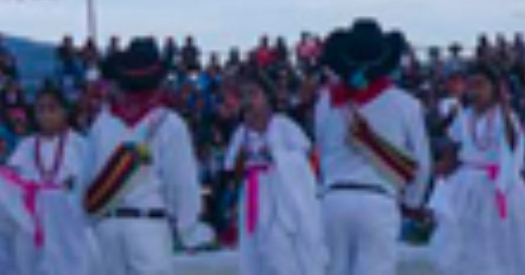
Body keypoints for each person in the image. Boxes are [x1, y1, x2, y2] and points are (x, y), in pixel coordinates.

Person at [314, 20, 432, 275]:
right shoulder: (406, 104)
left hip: (333, 198)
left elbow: (320, 151)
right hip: (378, 200)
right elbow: (421, 164)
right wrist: (412, 202)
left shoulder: (327, 102)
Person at [81, 39, 206, 275]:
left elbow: (86, 180)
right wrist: (187, 229)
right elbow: (181, 183)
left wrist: (87, 223)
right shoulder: (168, 123)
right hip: (149, 226)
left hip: (107, 226)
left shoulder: (103, 123)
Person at [427, 64, 525, 275]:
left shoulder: (505, 116)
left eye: (480, 86)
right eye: (470, 87)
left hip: (500, 187)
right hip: (466, 188)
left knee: (506, 248)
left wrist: (505, 108)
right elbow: (451, 154)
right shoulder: (463, 116)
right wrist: (435, 171)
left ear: (495, 89)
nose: (474, 92)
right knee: (468, 247)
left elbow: (514, 143)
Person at [225, 72, 326, 275]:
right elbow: (231, 173)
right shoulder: (241, 132)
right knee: (254, 256)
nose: (248, 100)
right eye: (245, 96)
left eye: (253, 94)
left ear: (267, 97)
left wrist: (278, 157)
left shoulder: (285, 126)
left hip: (282, 199)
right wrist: (242, 158)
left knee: (281, 255)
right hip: (252, 199)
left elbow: (308, 159)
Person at [1, 87, 96, 275]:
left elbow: (91, 181)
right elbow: (11, 180)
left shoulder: (80, 145)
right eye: (41, 110)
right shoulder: (25, 146)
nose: (46, 115)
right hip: (35, 222)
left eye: (52, 109)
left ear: (64, 112)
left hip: (70, 224)